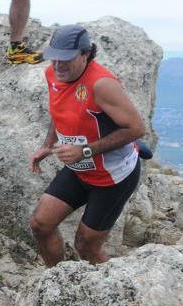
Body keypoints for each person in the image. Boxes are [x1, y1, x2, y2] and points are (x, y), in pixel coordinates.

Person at [28, 25, 146, 267]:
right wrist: (48, 144)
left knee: (86, 246)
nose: (58, 66)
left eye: (66, 59)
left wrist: (85, 150)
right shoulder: (54, 74)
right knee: (41, 225)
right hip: (80, 168)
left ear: (85, 54)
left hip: (113, 177)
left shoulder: (102, 84)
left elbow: (136, 129)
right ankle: (59, 280)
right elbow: (59, 108)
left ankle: (111, 295)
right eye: (54, 59)